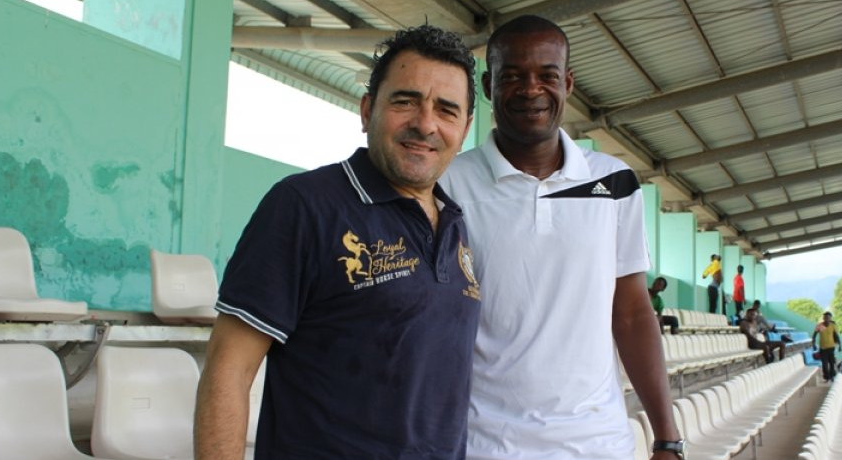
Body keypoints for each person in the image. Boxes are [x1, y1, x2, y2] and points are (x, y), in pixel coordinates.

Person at [193, 25, 481, 460]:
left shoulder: (456, 224)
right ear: (367, 110)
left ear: (464, 128)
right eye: (405, 101)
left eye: (446, 110)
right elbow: (229, 368)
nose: (425, 124)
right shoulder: (304, 206)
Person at [440, 15, 682, 460]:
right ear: (488, 84)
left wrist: (666, 437)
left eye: (546, 76)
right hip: (482, 446)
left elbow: (630, 313)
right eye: (512, 76)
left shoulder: (615, 182)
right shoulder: (449, 184)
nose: (531, 90)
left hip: (598, 444)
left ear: (567, 83)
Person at [812, 311, 842, 382]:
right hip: (823, 348)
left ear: (830, 318)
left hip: (831, 347)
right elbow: (814, 335)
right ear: (823, 318)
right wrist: (813, 344)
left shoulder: (833, 325)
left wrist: (840, 345)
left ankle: (832, 376)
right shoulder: (819, 326)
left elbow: (836, 335)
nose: (826, 319)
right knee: (824, 364)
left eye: (828, 317)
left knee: (831, 363)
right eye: (825, 317)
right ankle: (827, 377)